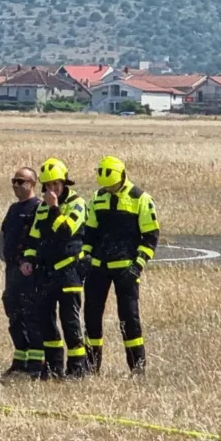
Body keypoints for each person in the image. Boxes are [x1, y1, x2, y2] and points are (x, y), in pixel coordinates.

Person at [82, 156, 160, 376]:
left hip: (127, 270)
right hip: (98, 268)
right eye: (106, 186)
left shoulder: (140, 199)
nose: (109, 189)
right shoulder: (97, 197)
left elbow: (150, 236)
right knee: (91, 317)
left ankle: (137, 369)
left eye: (112, 185)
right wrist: (86, 256)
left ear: (122, 177)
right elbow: (90, 232)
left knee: (129, 318)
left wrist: (138, 265)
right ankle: (91, 367)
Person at [20, 158, 88, 380]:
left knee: (70, 322)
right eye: (48, 186)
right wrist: (28, 260)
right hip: (45, 273)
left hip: (69, 272)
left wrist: (54, 208)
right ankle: (53, 367)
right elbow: (33, 239)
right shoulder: (41, 208)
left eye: (56, 185)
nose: (52, 189)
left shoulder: (77, 204)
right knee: (46, 321)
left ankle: (77, 368)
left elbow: (66, 231)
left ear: (64, 183)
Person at [0, 166, 42, 376]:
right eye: (14, 181)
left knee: (32, 314)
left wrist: (31, 262)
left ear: (33, 184)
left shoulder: (38, 208)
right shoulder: (14, 209)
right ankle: (20, 358)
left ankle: (36, 362)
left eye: (21, 181)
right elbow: (5, 233)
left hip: (29, 272)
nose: (16, 185)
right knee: (13, 311)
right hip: (12, 270)